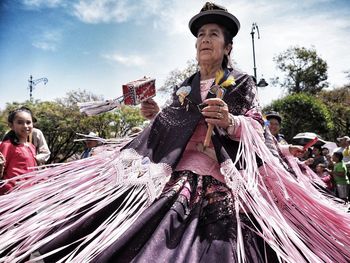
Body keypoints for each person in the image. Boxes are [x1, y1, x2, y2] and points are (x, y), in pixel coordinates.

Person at [1, 2, 350, 263]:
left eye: (213, 34)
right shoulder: (185, 86)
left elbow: (258, 129)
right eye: (200, 35)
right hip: (178, 171)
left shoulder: (241, 82)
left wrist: (231, 122)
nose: (204, 40)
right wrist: (157, 117)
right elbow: (169, 129)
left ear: (228, 47)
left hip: (221, 174)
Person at [0, 107, 37, 194]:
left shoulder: (31, 146)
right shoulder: (7, 145)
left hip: (28, 194)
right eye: (20, 122)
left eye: (28, 122)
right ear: (11, 126)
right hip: (11, 195)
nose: (25, 126)